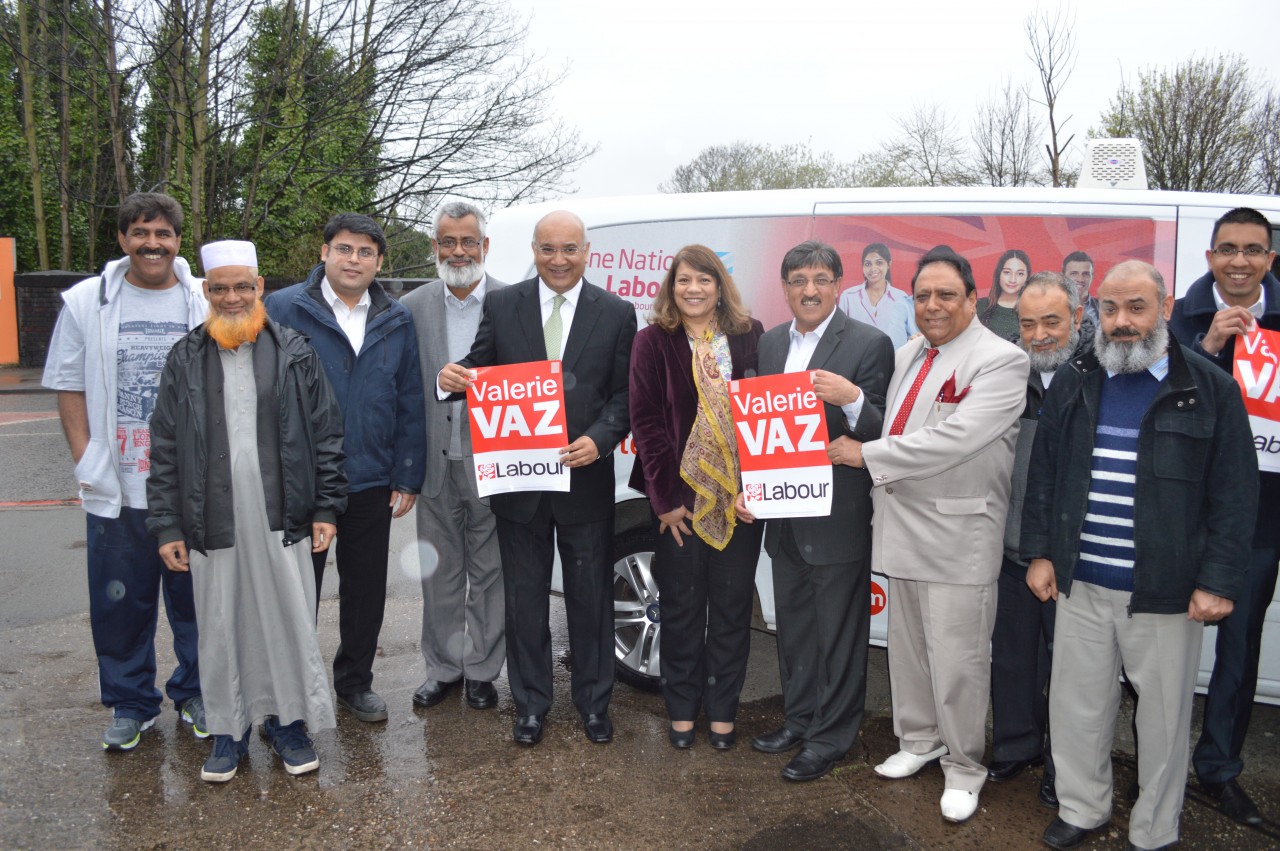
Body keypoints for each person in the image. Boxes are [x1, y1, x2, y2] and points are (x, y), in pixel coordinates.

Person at [1023, 260, 1257, 851]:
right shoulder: (1077, 378)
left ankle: (1154, 830)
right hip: (1081, 583)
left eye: (1136, 308)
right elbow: (1045, 475)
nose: (1122, 322)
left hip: (1166, 592)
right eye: (1110, 308)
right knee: (1077, 709)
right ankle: (1082, 807)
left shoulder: (1210, 388)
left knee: (1163, 722)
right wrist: (1042, 554)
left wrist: (1218, 581)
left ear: (1167, 307)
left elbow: (1234, 495)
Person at [147, 240, 347, 783]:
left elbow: (327, 435)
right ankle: (227, 731)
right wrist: (166, 523)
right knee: (219, 624)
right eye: (219, 288)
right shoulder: (184, 357)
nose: (231, 297)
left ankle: (287, 725)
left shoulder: (295, 350)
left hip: (284, 516)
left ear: (260, 288)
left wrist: (327, 506)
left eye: (242, 286)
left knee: (286, 619)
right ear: (206, 293)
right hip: (211, 519)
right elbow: (164, 446)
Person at [840, 247, 1029, 824]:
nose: (933, 305)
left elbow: (955, 438)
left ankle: (966, 767)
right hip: (902, 528)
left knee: (958, 662)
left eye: (946, 294)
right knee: (912, 652)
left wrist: (865, 454)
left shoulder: (1001, 360)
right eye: (922, 295)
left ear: (974, 299)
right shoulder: (908, 353)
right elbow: (897, 420)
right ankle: (919, 742)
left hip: (958, 535)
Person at [438, 210, 637, 746]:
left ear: (587, 250)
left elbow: (624, 396)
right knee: (524, 601)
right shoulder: (504, 305)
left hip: (586, 482)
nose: (558, 260)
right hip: (519, 486)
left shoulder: (617, 312)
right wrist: (449, 378)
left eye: (569, 249)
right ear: (533, 249)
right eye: (548, 249)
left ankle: (595, 704)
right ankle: (530, 706)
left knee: (590, 600)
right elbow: (480, 370)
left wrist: (600, 438)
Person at [42, 191, 206, 751]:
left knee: (197, 603)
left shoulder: (205, 300)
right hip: (118, 490)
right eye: (140, 233)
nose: (152, 244)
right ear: (122, 239)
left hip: (190, 491)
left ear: (178, 241)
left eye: (163, 233)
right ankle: (130, 704)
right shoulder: (87, 302)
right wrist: (87, 459)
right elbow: (68, 385)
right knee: (119, 604)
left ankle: (196, 693)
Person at [739, 241, 893, 780]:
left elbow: (881, 435)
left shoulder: (871, 344)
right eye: (799, 279)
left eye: (821, 279)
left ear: (838, 285)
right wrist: (749, 488)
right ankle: (798, 720)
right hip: (782, 519)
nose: (809, 289)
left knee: (839, 638)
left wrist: (851, 397)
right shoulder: (772, 343)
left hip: (837, 521)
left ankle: (830, 739)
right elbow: (762, 431)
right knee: (797, 631)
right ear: (785, 288)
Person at [265, 213, 426, 724]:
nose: (353, 260)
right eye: (344, 249)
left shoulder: (397, 318)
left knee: (365, 589)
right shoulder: (283, 308)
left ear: (380, 261)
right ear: (324, 252)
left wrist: (407, 473)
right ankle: (288, 691)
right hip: (300, 479)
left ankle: (354, 682)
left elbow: (409, 398)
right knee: (296, 590)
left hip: (371, 478)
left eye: (365, 252)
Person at [628, 245, 765, 751]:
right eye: (684, 280)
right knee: (682, 611)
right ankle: (682, 710)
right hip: (679, 506)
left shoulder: (751, 337)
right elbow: (646, 424)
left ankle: (724, 713)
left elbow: (765, 418)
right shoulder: (652, 342)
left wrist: (758, 487)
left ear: (719, 286)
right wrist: (663, 499)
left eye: (704, 280)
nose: (693, 289)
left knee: (731, 612)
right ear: (671, 286)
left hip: (740, 504)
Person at [1169, 206, 1280, 826]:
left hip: (1260, 517)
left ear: (1269, 259)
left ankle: (1218, 771)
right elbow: (1158, 399)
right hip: (1180, 512)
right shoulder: (1178, 318)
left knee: (1237, 653)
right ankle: (1157, 758)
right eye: (1228, 248)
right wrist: (1208, 346)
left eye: (1253, 249)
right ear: (1209, 256)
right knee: (1153, 644)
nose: (1240, 260)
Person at [401, 201, 507, 712]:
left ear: (484, 246)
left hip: (494, 464)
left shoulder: (514, 301)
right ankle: (443, 669)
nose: (458, 251)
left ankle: (483, 672)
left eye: (468, 241)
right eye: (448, 241)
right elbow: (400, 387)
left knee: (490, 574)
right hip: (434, 463)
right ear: (435, 248)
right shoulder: (412, 306)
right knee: (439, 573)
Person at [987, 272, 1088, 806]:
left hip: (1070, 554)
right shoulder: (1004, 370)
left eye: (1052, 321)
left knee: (1069, 667)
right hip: (1008, 545)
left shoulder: (1098, 376)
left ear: (1077, 315)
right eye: (1028, 323)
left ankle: (1061, 763)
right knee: (1011, 656)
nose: (1040, 334)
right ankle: (1015, 744)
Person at [837, 242, 918, 347]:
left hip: (893, 361)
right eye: (868, 264)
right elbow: (840, 335)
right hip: (856, 361)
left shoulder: (901, 298)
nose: (873, 269)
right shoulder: (848, 296)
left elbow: (912, 336)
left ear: (889, 264)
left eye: (879, 263)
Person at [977, 249, 1031, 340]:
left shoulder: (1033, 310)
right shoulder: (979, 306)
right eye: (1007, 272)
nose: (1012, 279)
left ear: (1027, 277)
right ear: (999, 274)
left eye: (1020, 274)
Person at [1062, 251, 1097, 323]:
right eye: (1074, 274)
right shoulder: (1051, 306)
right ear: (1063, 276)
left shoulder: (1103, 308)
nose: (1080, 279)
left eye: (1086, 274)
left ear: (1092, 276)